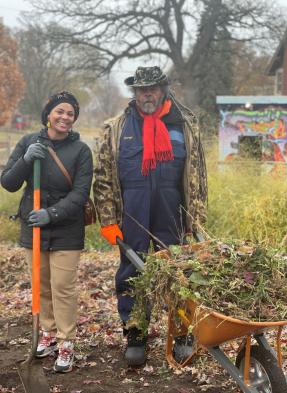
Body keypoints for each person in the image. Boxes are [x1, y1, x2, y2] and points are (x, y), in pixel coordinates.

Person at [93, 66, 207, 366]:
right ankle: (136, 335)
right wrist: (107, 220)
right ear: (135, 92)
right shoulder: (117, 128)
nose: (147, 94)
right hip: (134, 211)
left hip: (173, 212)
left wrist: (196, 218)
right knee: (133, 274)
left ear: (163, 90)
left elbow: (198, 178)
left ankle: (182, 334)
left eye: (152, 88)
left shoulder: (184, 125)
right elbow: (103, 176)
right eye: (141, 89)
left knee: (180, 273)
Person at [1, 91, 93, 373]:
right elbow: (8, 182)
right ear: (49, 114)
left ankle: (67, 342)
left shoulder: (81, 151)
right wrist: (27, 160)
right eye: (60, 112)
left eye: (70, 114)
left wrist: (51, 214)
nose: (65, 117)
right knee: (41, 283)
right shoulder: (29, 142)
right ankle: (49, 334)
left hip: (66, 227)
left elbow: (80, 195)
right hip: (33, 226)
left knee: (62, 287)